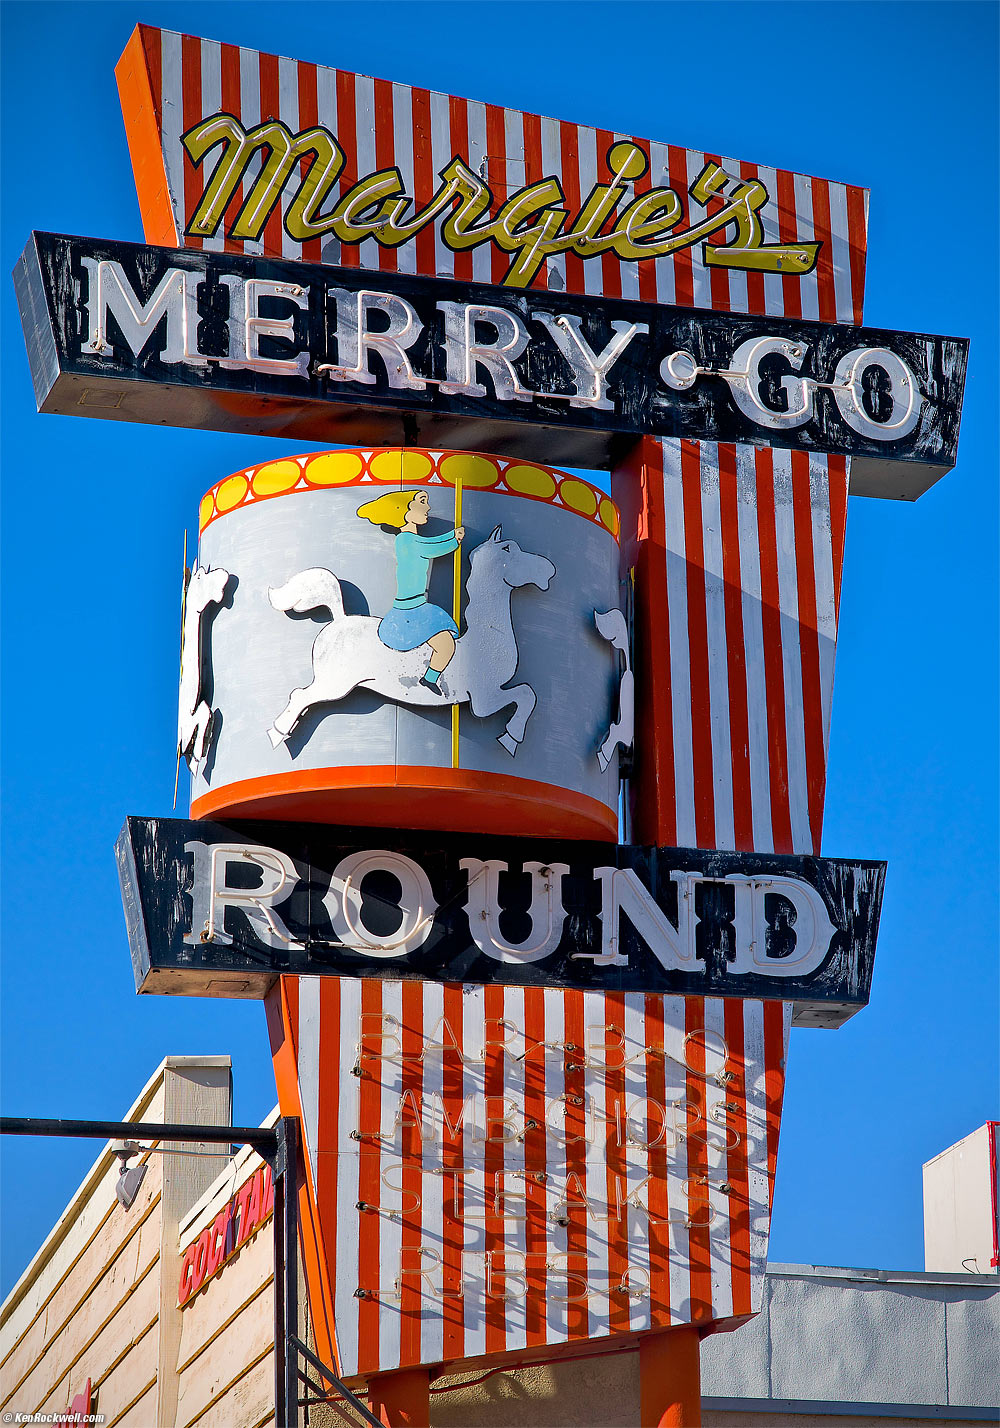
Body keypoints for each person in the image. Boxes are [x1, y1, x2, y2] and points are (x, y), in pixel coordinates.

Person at [356, 489, 465, 693]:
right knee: (446, 645)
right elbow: (430, 547)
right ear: (403, 509)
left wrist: (453, 538)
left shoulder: (410, 539)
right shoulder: (406, 539)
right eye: (422, 502)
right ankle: (428, 679)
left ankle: (429, 679)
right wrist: (454, 538)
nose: (428, 507)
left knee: (446, 644)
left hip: (416, 606)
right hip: (411, 610)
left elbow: (428, 545)